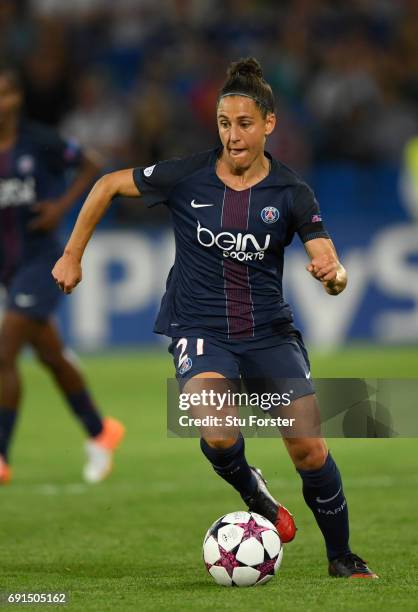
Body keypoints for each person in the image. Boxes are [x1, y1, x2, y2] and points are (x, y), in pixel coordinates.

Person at [52, 58, 377, 578]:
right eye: (225, 124)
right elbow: (108, 184)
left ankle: (342, 557)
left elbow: (329, 262)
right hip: (199, 329)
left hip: (268, 334)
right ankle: (255, 493)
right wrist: (72, 254)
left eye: (244, 123)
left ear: (269, 124)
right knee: (218, 429)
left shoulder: (291, 192)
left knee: (310, 450)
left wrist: (332, 275)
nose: (233, 135)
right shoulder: (188, 176)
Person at [0, 64, 125, 485]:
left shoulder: (40, 141)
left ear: (17, 99)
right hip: (7, 267)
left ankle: (0, 455)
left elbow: (93, 164)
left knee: (5, 351)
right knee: (51, 356)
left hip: (40, 262)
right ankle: (100, 430)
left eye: (6, 94)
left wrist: (60, 208)